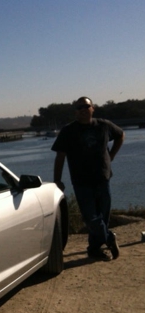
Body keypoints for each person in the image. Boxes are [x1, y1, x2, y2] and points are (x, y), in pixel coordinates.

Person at [52, 96, 124, 261]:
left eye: (86, 106)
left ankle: (94, 249)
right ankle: (109, 238)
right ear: (75, 112)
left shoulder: (104, 125)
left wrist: (111, 155)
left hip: (103, 178)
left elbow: (120, 135)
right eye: (79, 108)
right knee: (90, 217)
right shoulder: (68, 131)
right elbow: (60, 156)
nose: (83, 110)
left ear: (93, 108)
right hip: (81, 181)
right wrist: (57, 179)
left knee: (102, 216)